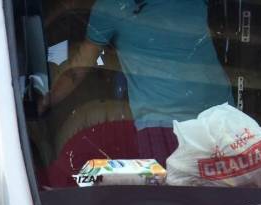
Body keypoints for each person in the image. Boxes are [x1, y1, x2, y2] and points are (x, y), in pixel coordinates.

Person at [46, 0, 232, 161]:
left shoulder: (110, 7)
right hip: (182, 126)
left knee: (181, 199)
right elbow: (78, 69)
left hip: (208, 119)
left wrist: (42, 102)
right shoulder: (111, 7)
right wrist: (43, 102)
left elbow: (78, 68)